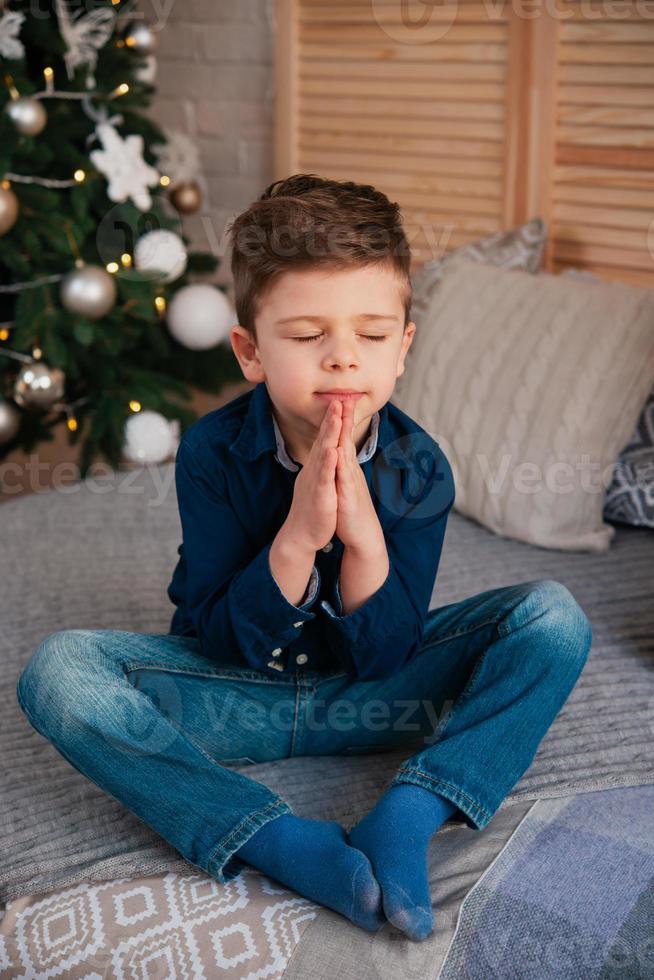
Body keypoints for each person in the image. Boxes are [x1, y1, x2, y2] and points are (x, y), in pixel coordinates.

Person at [16, 174, 593, 943]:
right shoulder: (213, 452)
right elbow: (221, 640)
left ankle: (409, 810)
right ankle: (276, 840)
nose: (343, 361)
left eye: (372, 335)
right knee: (56, 673)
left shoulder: (420, 470)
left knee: (552, 618)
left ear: (404, 349)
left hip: (379, 700)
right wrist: (295, 538)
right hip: (236, 699)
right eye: (307, 334)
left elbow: (390, 653)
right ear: (252, 353)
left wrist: (363, 537)